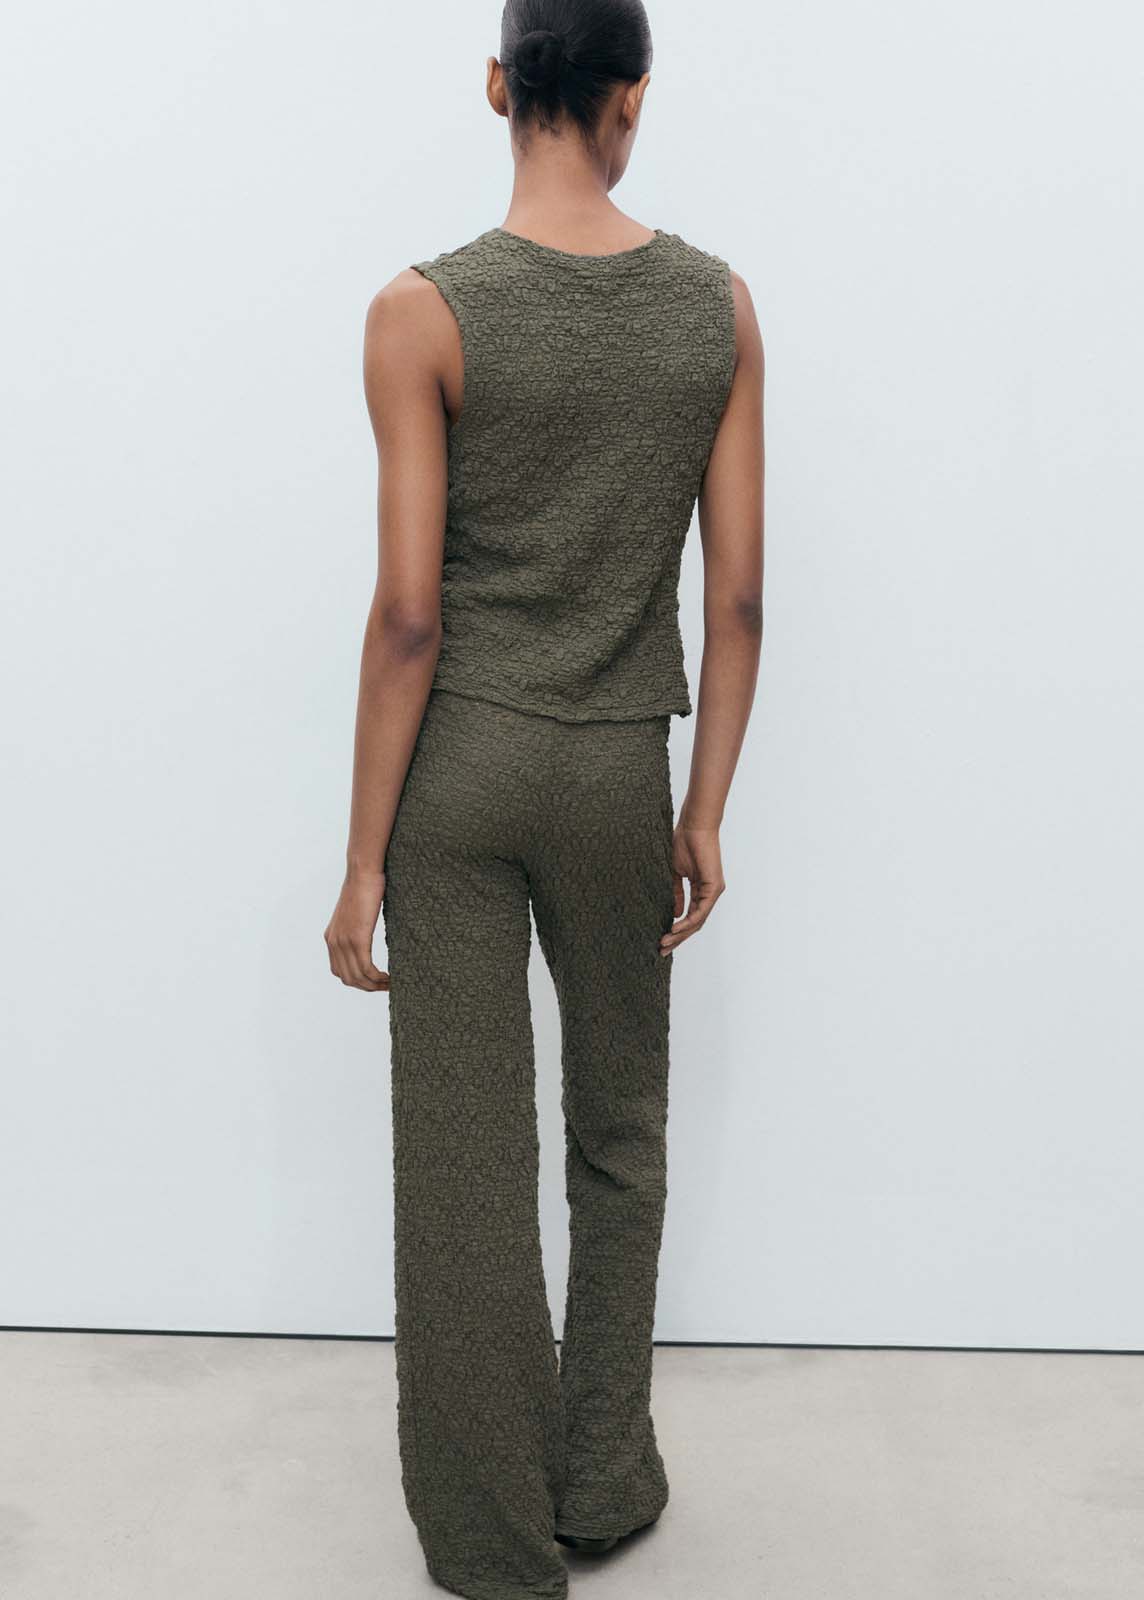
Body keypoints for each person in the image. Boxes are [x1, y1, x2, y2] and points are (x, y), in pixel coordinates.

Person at [324, 1, 764, 1595]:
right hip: (616, 772)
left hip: (460, 776)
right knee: (621, 1134)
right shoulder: (716, 309)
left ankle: (493, 1541)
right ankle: (602, 1478)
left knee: (464, 1160)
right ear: (632, 97)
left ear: (500, 83)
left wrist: (361, 861)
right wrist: (702, 810)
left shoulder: (420, 313)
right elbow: (738, 602)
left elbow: (409, 618)